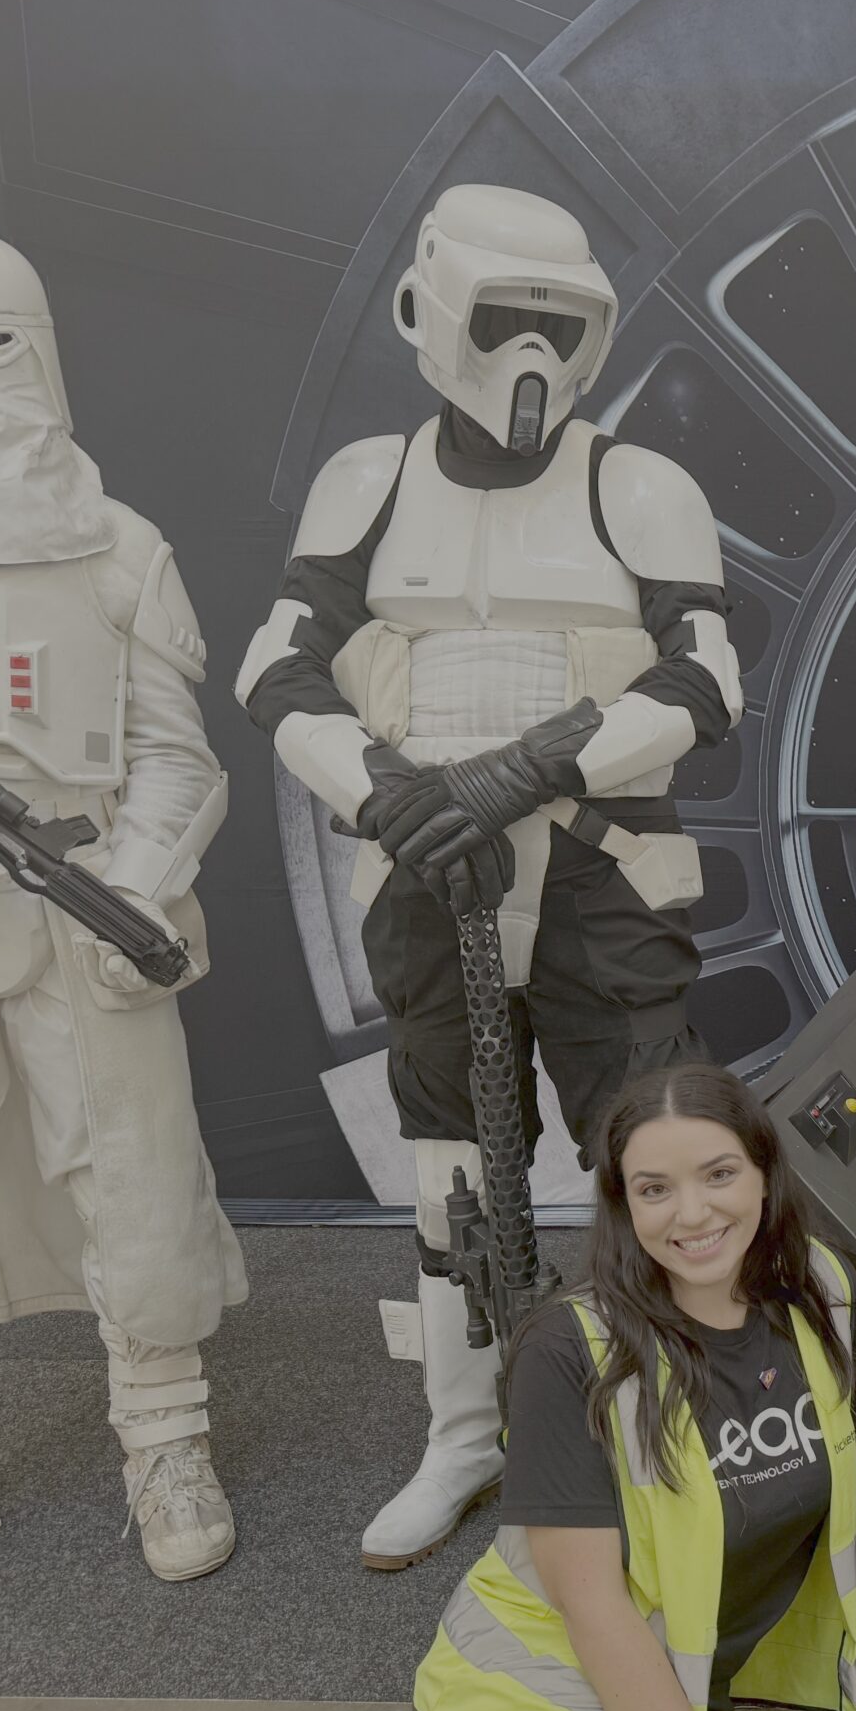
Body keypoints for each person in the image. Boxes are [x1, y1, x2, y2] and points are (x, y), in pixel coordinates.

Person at [235, 183, 743, 1572]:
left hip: (599, 869)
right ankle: (466, 1434)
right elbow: (275, 662)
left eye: (557, 324)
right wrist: (389, 792)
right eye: (504, 317)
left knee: (652, 1150)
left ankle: (666, 1425)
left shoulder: (634, 486)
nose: (531, 353)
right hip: (422, 871)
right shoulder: (371, 484)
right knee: (453, 1159)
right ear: (431, 314)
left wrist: (526, 772)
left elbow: (706, 678)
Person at [0, 222, 244, 1592]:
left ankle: (166, 1441)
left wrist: (131, 887)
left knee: (135, 1192)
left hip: (84, 909)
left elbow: (177, 756)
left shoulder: (116, 548)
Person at [316, 1061, 856, 1711]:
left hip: (674, 1697)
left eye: (719, 1174)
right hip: (521, 1708)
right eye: (654, 1189)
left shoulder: (820, 1293)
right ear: (622, 1203)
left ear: (763, 1172)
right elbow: (593, 1608)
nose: (693, 1214)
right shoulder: (572, 1349)